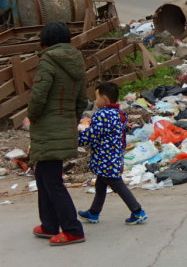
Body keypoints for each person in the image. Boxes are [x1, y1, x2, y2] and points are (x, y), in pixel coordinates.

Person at [29, 22, 87, 246]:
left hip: (47, 126)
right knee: (43, 176)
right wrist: (70, 119)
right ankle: (49, 225)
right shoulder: (76, 61)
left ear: (46, 41)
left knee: (51, 180)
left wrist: (33, 116)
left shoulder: (48, 60)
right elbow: (82, 99)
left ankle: (73, 229)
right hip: (64, 124)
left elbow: (38, 96)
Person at [78, 82, 148, 225]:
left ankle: (137, 211)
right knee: (100, 185)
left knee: (118, 185)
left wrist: (77, 138)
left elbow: (92, 135)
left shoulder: (102, 114)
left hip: (104, 158)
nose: (95, 101)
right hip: (114, 156)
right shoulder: (120, 113)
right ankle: (93, 212)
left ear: (104, 99)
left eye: (96, 97)